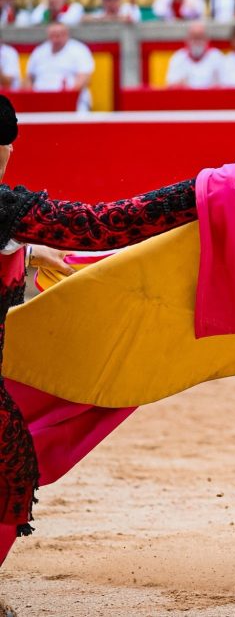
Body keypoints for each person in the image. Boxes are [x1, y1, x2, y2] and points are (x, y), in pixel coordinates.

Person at [0, 95, 201, 550]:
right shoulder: (4, 209)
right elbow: (104, 225)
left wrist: (25, 249)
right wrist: (198, 190)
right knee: (10, 475)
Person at [25, 23, 93, 111]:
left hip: (71, 102)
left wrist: (63, 98)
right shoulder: (39, 51)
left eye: (58, 35)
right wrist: (31, 99)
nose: (55, 39)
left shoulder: (79, 50)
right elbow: (28, 78)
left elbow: (84, 78)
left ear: (66, 35)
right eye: (52, 36)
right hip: (40, 102)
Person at [165, 21, 224, 88]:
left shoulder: (217, 56)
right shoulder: (178, 57)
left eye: (200, 37)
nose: (197, 41)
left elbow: (226, 84)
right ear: (187, 39)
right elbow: (171, 86)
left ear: (207, 39)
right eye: (194, 37)